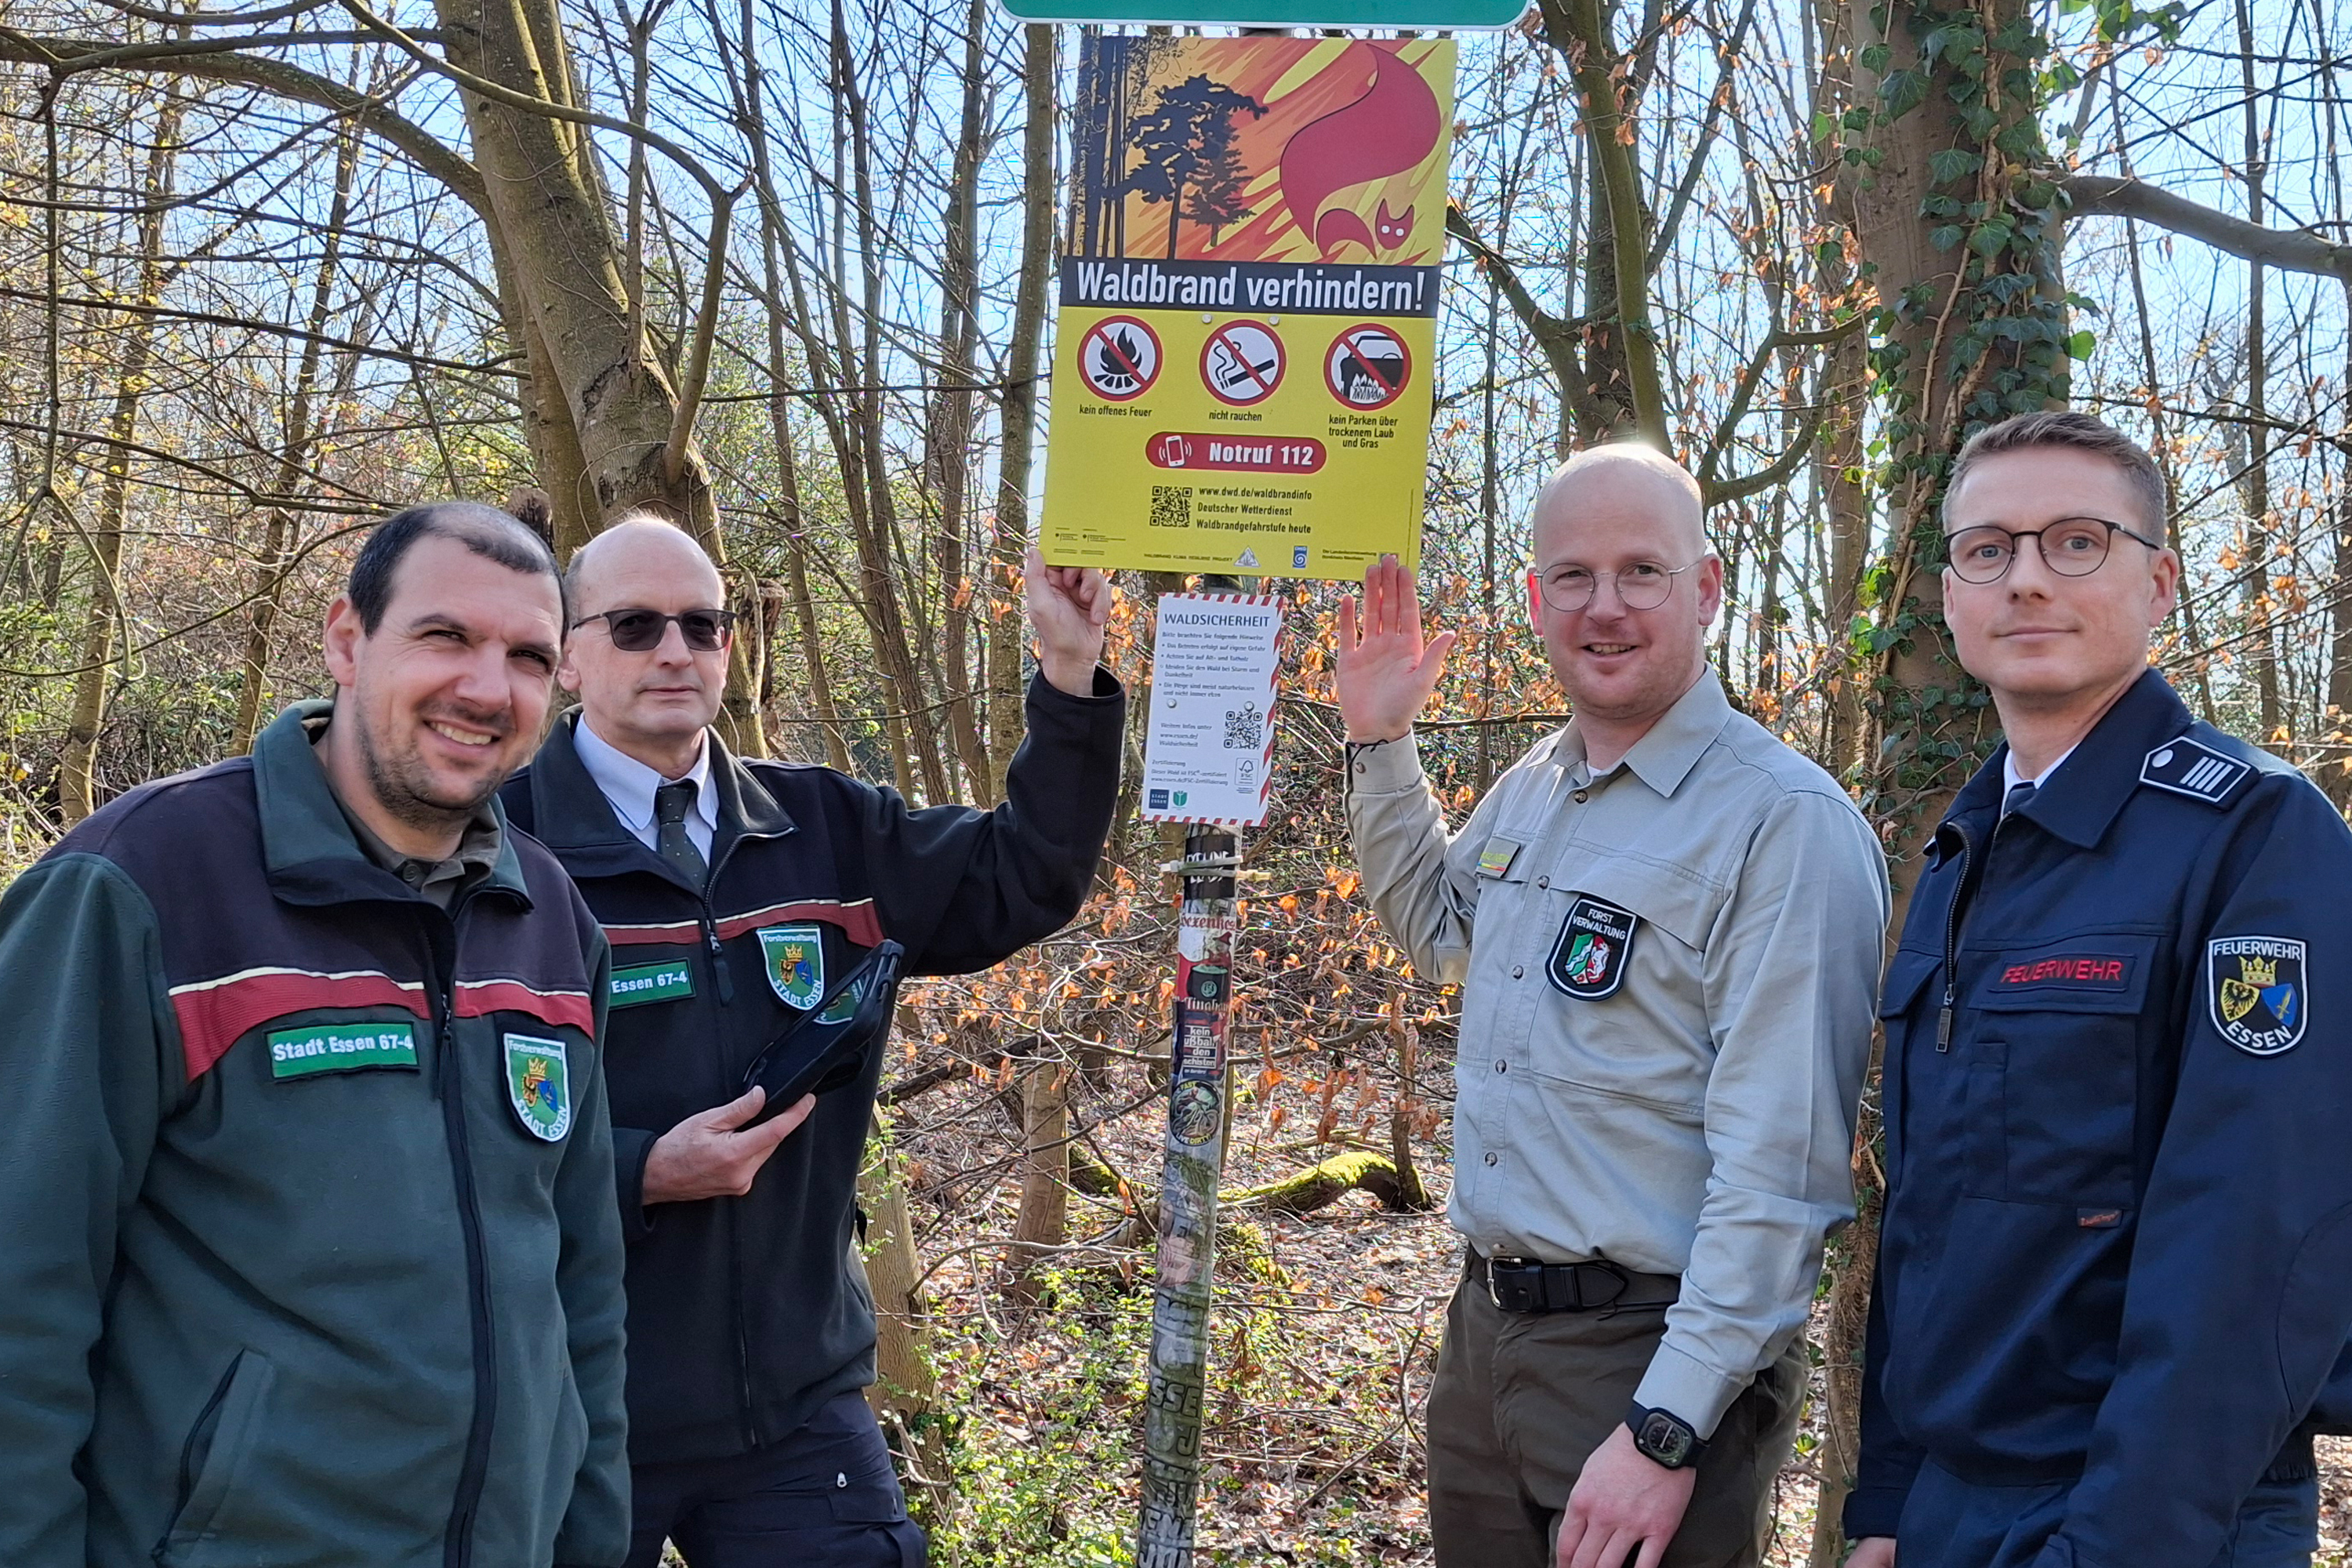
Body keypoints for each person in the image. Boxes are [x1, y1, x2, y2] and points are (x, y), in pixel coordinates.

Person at [0, 503, 629, 1568]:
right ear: (346, 640)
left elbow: (584, 1287)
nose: (487, 688)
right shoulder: (142, 883)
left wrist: (593, 1535)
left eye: (527, 655)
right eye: (445, 637)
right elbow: (20, 1291)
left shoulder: (552, 920)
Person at [499, 518, 1124, 1568]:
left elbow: (1027, 874)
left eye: (703, 625)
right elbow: (438, 1118)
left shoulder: (827, 827)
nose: (674, 650)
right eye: (636, 624)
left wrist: (1068, 672)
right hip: (573, 1406)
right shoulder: (503, 849)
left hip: (793, 1408)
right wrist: (637, 1173)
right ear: (567, 654)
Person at [1336, 445, 1889, 1568]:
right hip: (1486, 1338)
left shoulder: (1783, 825)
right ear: (1535, 599)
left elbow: (1782, 1172)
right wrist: (1381, 741)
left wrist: (1666, 1425)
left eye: (1643, 571)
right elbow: (1442, 931)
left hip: (1651, 1354)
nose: (1606, 607)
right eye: (1573, 577)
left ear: (1708, 588)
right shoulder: (1540, 782)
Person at [1844, 411, 2352, 1568]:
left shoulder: (2260, 838)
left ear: (2162, 581)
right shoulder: (1963, 852)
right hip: (1947, 1509)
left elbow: (2259, 1245)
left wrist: (2121, 1544)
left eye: (2076, 541)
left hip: (2149, 1512)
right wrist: (1888, 1498)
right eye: (1989, 549)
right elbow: (1929, 1218)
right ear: (1949, 594)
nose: (2026, 579)